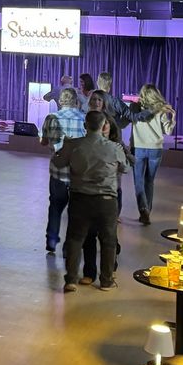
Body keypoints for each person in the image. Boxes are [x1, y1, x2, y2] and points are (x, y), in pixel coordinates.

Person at [55, 111, 127, 292]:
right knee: (108, 240)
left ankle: (71, 279)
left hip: (80, 198)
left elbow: (58, 163)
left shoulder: (73, 145)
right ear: (104, 126)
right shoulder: (114, 147)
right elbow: (124, 167)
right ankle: (106, 280)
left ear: (84, 125)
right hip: (107, 200)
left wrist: (64, 146)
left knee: (75, 239)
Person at [41, 88, 86, 254]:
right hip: (77, 173)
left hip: (57, 171)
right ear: (76, 101)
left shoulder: (52, 118)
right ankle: (69, 246)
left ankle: (51, 240)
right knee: (75, 211)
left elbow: (43, 142)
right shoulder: (84, 119)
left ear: (60, 101)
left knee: (55, 206)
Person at [130, 84, 176, 225]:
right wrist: (173, 116)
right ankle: (147, 211)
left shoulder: (135, 108)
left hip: (138, 147)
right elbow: (168, 131)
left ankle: (143, 210)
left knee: (138, 181)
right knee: (149, 181)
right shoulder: (161, 110)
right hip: (155, 148)